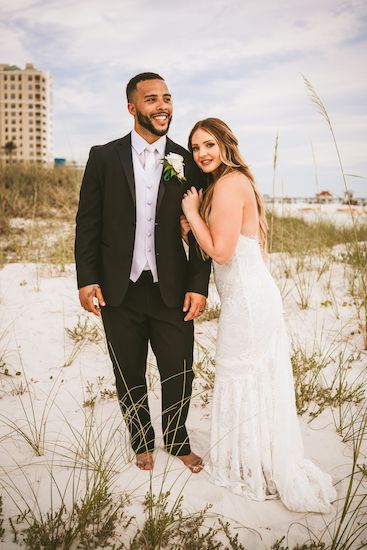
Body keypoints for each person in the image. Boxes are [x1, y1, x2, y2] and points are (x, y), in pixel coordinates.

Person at [181, 118, 337, 512]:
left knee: (241, 374)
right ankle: (251, 458)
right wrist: (193, 224)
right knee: (246, 376)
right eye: (196, 146)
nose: (201, 153)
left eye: (209, 145)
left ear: (226, 145)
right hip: (246, 297)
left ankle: (250, 465)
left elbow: (222, 252)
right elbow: (219, 243)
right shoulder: (227, 183)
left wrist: (192, 212)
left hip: (249, 302)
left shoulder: (231, 184)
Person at [75, 73, 211, 472]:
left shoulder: (187, 160)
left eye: (167, 98)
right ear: (132, 107)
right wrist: (86, 278)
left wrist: (198, 285)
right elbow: (88, 222)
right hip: (120, 287)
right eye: (152, 99)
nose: (163, 106)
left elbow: (199, 228)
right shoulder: (103, 156)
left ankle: (176, 437)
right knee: (128, 369)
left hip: (173, 288)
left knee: (179, 369)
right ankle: (140, 439)